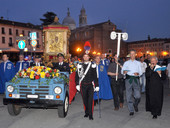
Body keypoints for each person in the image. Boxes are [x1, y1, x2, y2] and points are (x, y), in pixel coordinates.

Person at [75, 54, 99, 120]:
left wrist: (97, 85)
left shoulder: (92, 65)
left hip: (90, 85)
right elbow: (77, 75)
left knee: (90, 100)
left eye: (87, 56)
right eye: (84, 56)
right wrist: (77, 84)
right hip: (83, 85)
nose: (85, 57)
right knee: (85, 100)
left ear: (89, 57)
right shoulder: (79, 65)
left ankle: (91, 114)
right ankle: (87, 112)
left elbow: (95, 76)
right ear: (83, 57)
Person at [122, 49, 142, 116]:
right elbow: (122, 71)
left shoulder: (138, 63)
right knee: (128, 95)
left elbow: (141, 72)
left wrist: (138, 73)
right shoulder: (126, 63)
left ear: (135, 54)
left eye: (133, 53)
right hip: (128, 79)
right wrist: (124, 72)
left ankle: (135, 104)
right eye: (131, 54)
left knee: (138, 96)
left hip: (136, 79)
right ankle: (131, 110)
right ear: (129, 55)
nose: (132, 55)